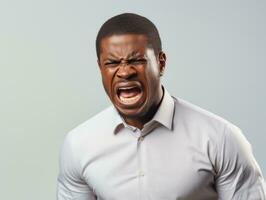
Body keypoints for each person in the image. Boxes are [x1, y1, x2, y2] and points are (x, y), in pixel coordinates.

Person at [57, 13, 266, 200]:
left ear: (161, 63)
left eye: (137, 60)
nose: (125, 72)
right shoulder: (78, 145)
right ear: (100, 68)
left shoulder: (221, 138)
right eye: (112, 63)